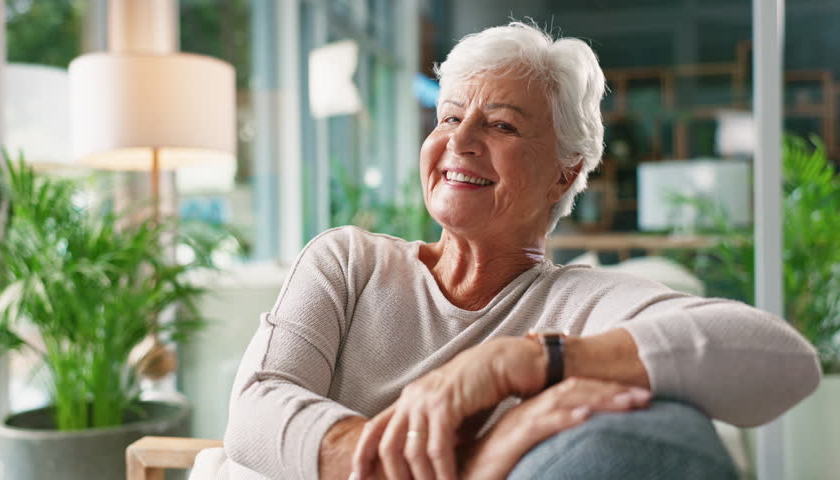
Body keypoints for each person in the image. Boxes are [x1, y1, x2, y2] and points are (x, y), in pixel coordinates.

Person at [195, 22, 820, 480]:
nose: (459, 141)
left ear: (563, 173)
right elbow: (254, 414)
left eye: (500, 124)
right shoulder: (348, 262)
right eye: (447, 117)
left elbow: (786, 363)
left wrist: (511, 366)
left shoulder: (582, 305)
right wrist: (466, 465)